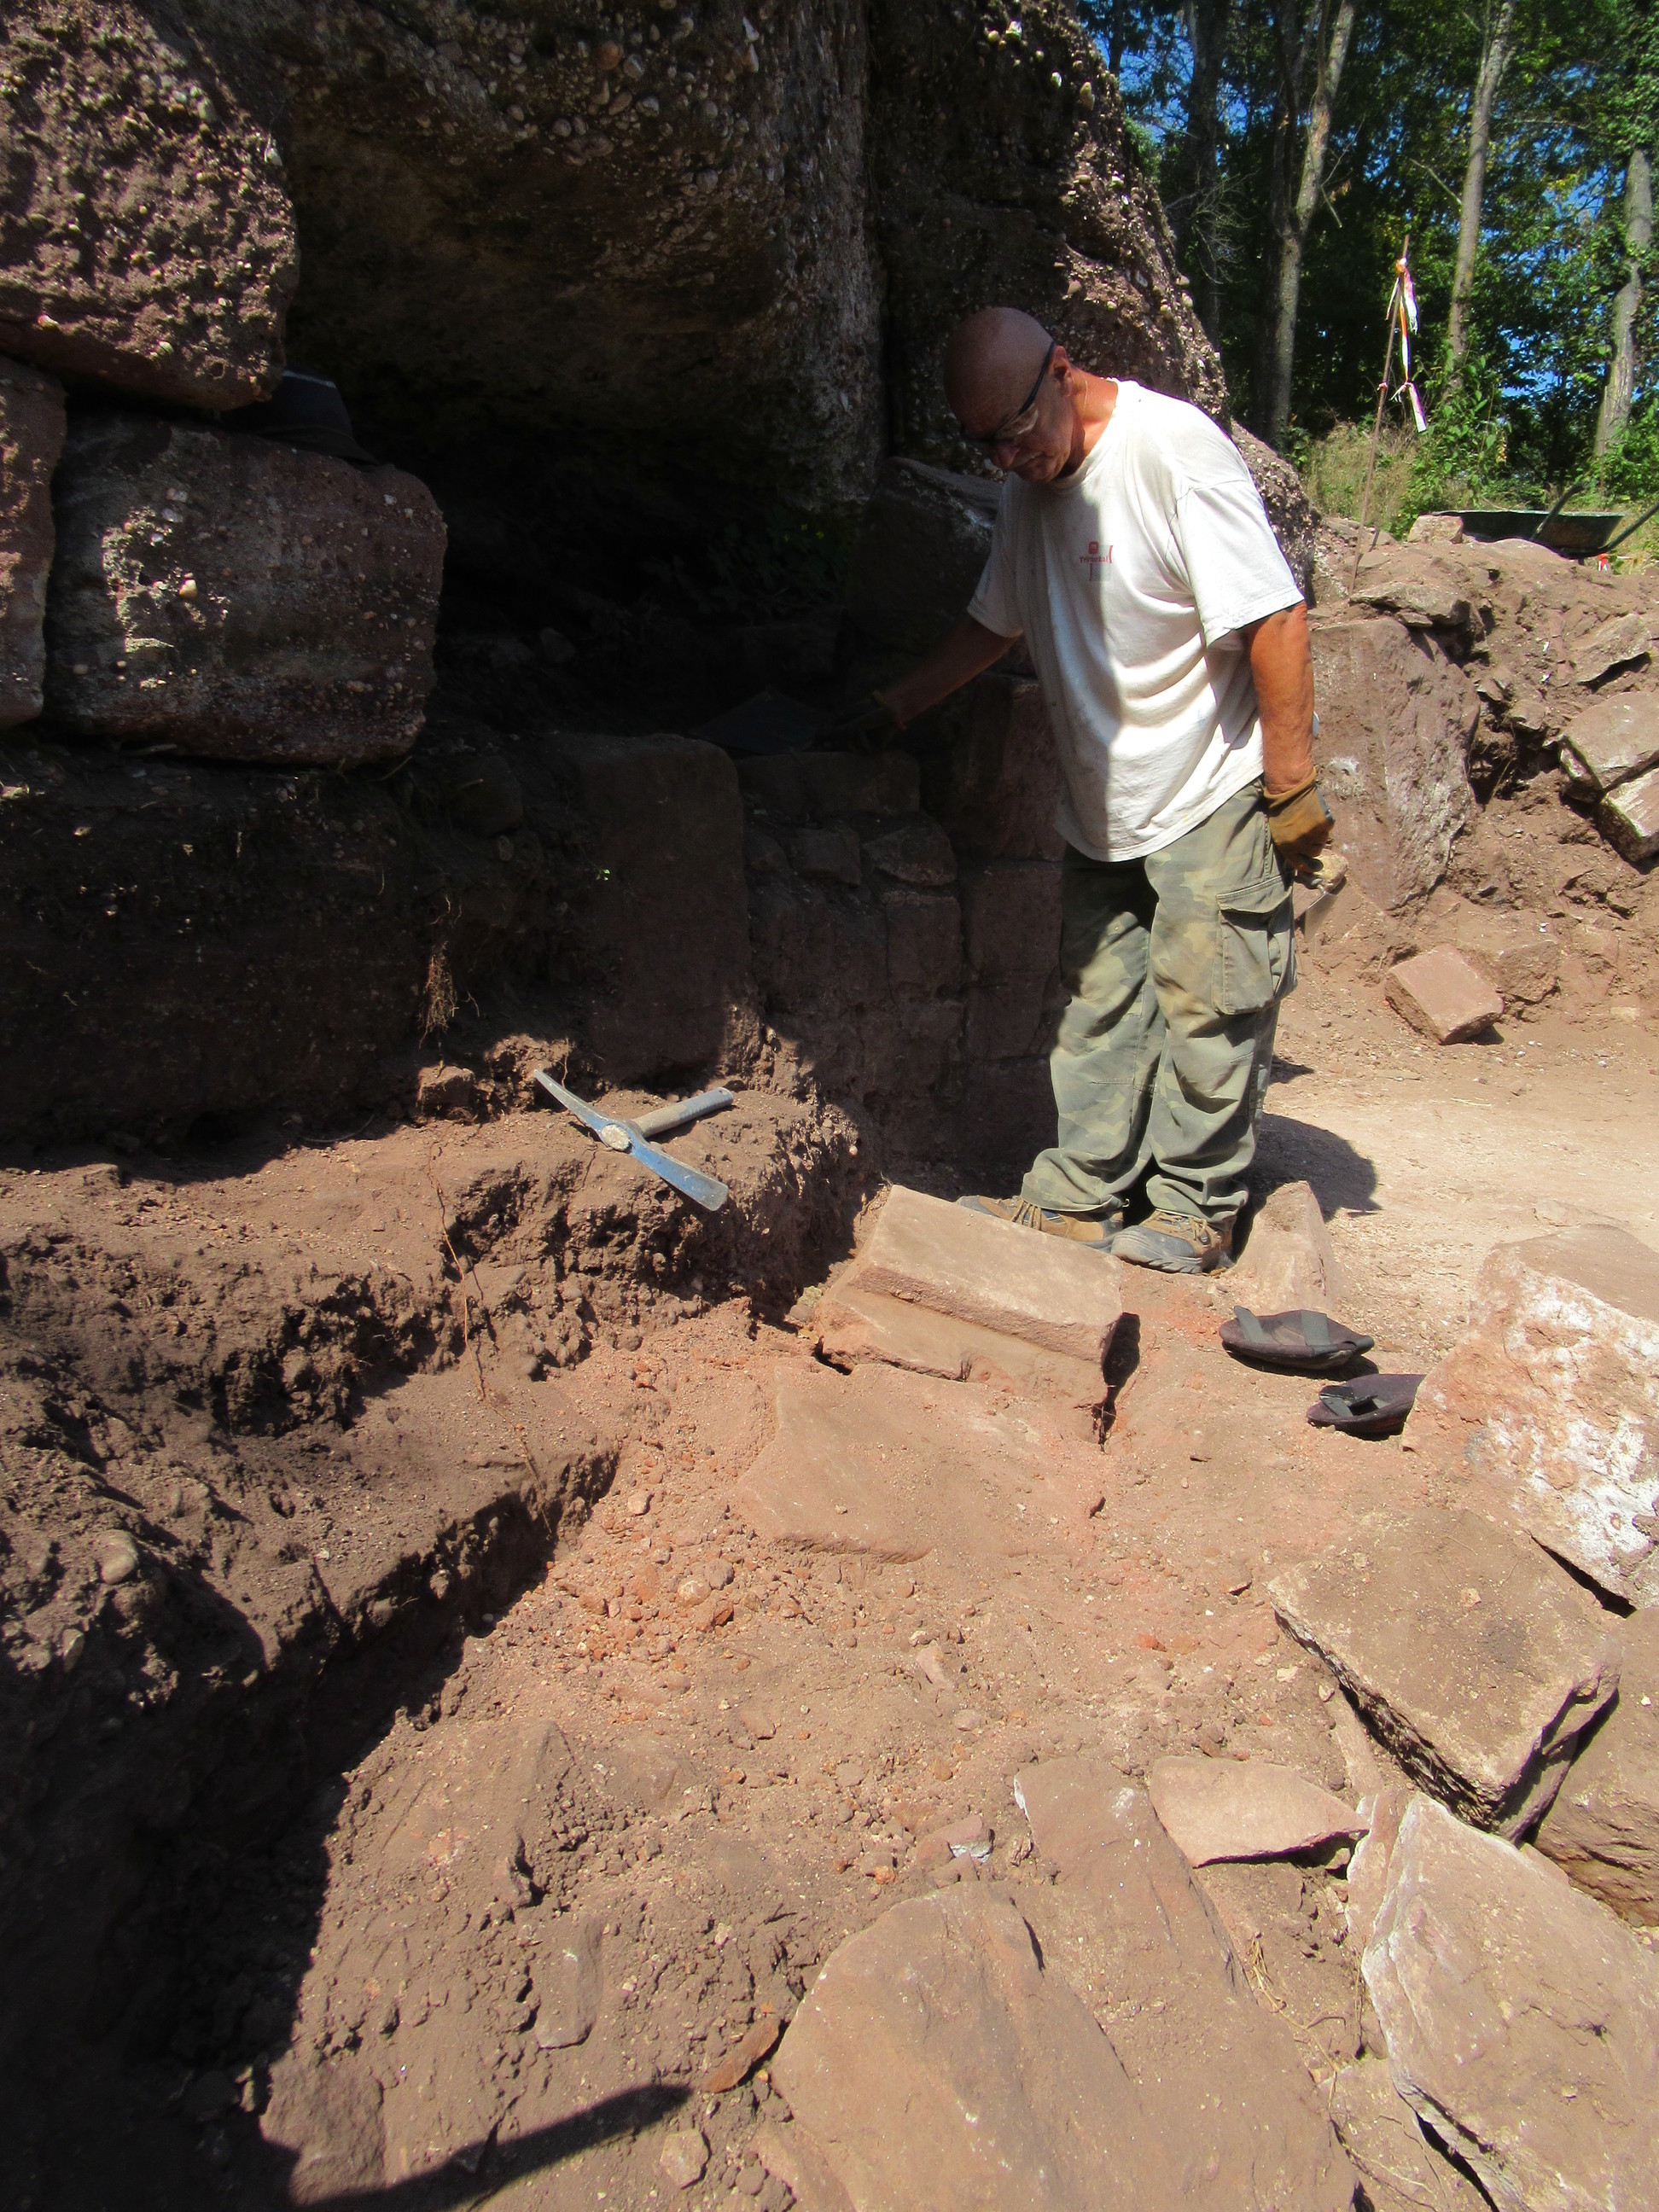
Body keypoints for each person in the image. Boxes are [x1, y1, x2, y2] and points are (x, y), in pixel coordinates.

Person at [841, 307, 1332, 1273]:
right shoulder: (1029, 491)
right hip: (1105, 803)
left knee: (1208, 1002)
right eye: (986, 445)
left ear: (1062, 370)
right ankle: (1079, 1198)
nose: (1007, 459)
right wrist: (895, 704)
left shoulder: (1172, 450)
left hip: (1210, 783)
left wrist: (1290, 786)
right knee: (1098, 1005)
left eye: (1017, 431)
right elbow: (996, 623)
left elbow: (1275, 616)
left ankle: (1195, 1209)